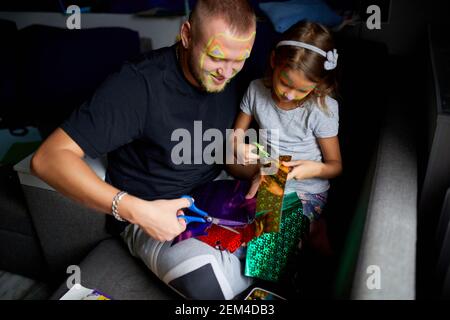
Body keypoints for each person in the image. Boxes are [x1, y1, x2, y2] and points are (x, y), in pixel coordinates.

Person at [31, 0, 256, 300]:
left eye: (239, 60)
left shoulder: (234, 78)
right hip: (155, 210)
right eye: (216, 57)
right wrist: (140, 211)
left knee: (291, 229)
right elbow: (48, 158)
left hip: (216, 194)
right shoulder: (137, 85)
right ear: (187, 35)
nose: (226, 73)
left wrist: (256, 170)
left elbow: (227, 159)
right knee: (208, 282)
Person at [230, 21, 342, 260]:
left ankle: (311, 229)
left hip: (306, 187)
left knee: (264, 257)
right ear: (274, 62)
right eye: (285, 83)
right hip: (270, 170)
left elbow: (335, 166)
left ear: (318, 84)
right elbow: (236, 135)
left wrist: (317, 168)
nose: (289, 95)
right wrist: (239, 145)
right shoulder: (255, 89)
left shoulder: (323, 109)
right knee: (228, 160)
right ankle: (299, 231)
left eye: (302, 90)